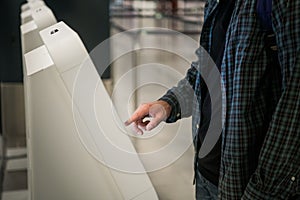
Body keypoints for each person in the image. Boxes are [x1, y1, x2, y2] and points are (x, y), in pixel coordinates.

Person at [125, 0, 300, 199]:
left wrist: (264, 192)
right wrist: (167, 104)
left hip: (248, 185)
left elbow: (294, 106)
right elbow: (205, 69)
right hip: (206, 172)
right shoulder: (218, 3)